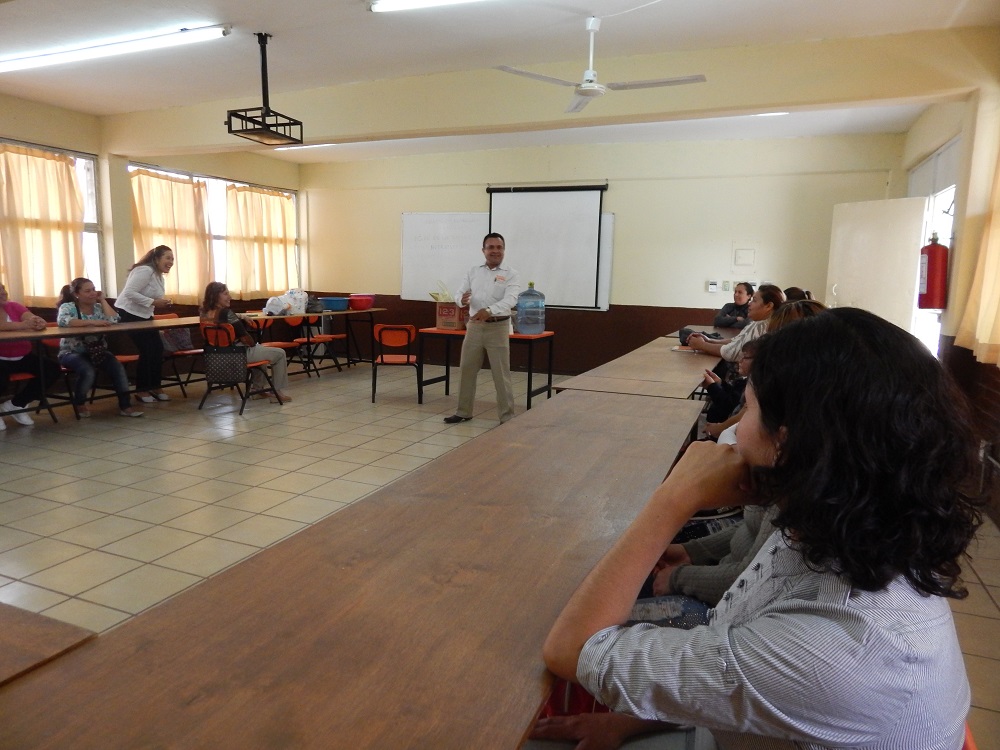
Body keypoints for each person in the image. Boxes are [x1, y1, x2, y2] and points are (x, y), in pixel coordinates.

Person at [541, 307, 980, 749]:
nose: (732, 435)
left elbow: (570, 648)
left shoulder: (832, 649)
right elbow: (754, 690)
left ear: (786, 442)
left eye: (747, 408)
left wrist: (672, 500)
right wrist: (635, 721)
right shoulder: (843, 531)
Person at [443, 232, 521, 424]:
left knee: (501, 374)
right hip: (475, 327)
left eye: (499, 247)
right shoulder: (473, 271)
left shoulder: (511, 274)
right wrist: (460, 300)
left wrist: (490, 310)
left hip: (498, 327)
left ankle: (507, 416)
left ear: (504, 250)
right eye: (491, 247)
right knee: (467, 369)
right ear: (483, 250)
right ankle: (463, 412)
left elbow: (511, 300)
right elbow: (460, 293)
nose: (495, 251)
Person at [56, 278, 144, 419]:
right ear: (76, 294)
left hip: (97, 351)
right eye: (87, 291)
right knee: (87, 370)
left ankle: (125, 406)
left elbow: (114, 320)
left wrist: (103, 301)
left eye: (94, 289)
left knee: (117, 368)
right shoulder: (68, 307)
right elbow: (64, 321)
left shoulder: (98, 307)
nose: (92, 293)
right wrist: (93, 322)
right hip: (71, 352)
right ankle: (79, 403)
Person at [199, 282, 292, 403]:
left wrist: (240, 316)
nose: (229, 297)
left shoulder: (204, 313)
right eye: (226, 294)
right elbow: (246, 338)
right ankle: (277, 393)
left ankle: (257, 390)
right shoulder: (227, 314)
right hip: (238, 355)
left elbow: (221, 318)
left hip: (215, 357)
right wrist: (254, 344)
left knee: (262, 355)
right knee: (279, 354)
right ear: (216, 296)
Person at [115, 245, 174, 403]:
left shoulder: (158, 276)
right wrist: (154, 302)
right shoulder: (145, 270)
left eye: (172, 259)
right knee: (147, 349)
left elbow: (149, 299)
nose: (171, 262)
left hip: (144, 315)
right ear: (156, 259)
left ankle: (155, 386)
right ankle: (141, 390)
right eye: (167, 258)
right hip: (128, 314)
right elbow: (129, 293)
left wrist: (159, 303)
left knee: (158, 349)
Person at [0, 281, 60, 430]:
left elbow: (31, 317)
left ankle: (16, 404)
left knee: (51, 369)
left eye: (3, 288)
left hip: (22, 356)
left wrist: (38, 322)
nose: (3, 292)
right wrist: (23, 325)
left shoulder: (13, 305)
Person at [687, 284, 783, 363]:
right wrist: (709, 340)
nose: (750, 303)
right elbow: (737, 339)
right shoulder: (757, 322)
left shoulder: (762, 326)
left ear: (769, 306)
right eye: (735, 292)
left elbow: (732, 353)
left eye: (754, 300)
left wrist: (702, 345)